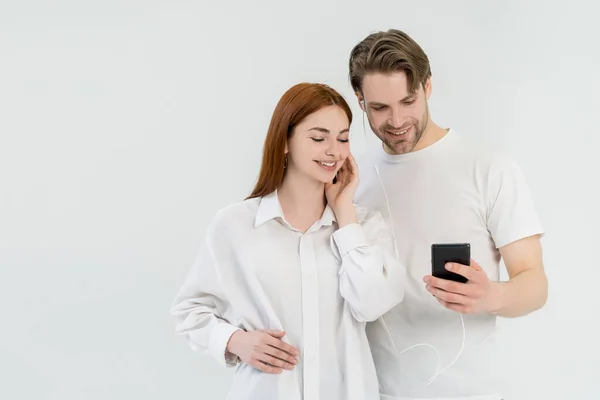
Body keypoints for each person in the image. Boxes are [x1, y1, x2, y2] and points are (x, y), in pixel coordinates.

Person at [170, 82, 406, 400]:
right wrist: (234, 341)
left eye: (343, 138)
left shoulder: (362, 225)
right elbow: (189, 311)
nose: (334, 151)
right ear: (285, 141)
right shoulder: (235, 226)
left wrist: (345, 214)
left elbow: (373, 304)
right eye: (318, 138)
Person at [348, 29, 548, 400]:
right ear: (360, 101)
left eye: (408, 101)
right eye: (379, 108)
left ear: (427, 87)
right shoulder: (352, 180)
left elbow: (535, 284)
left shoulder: (488, 168)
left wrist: (492, 296)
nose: (396, 120)